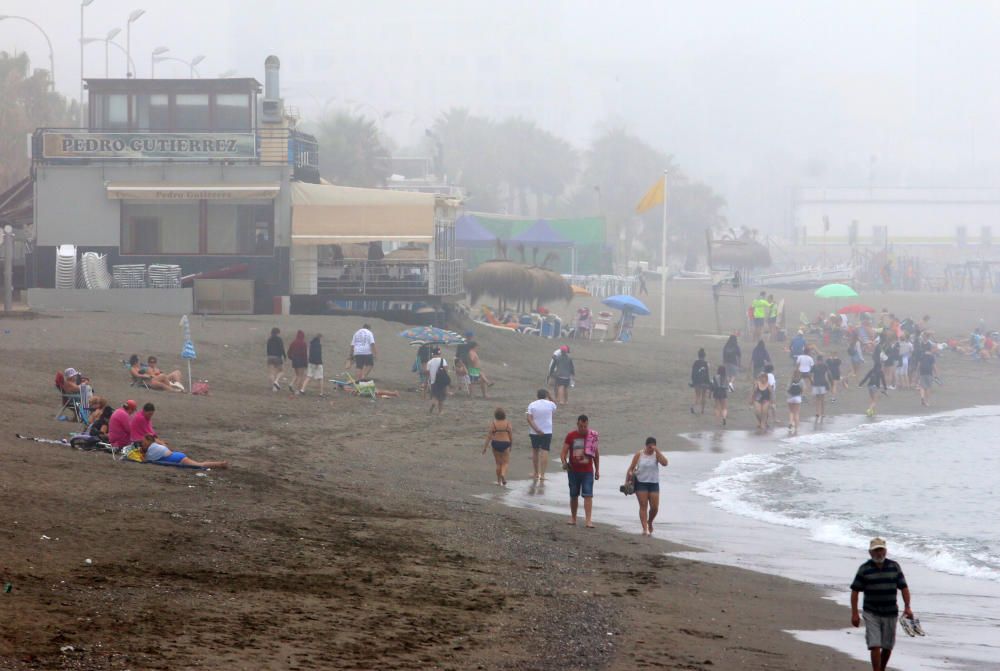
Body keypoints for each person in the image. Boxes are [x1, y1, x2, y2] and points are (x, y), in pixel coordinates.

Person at [850, 537, 913, 671]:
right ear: (870, 552)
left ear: (886, 551)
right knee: (875, 645)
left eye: (881, 550)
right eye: (876, 550)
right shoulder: (864, 569)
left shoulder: (894, 567)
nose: (879, 553)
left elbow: (904, 587)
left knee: (887, 646)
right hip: (871, 612)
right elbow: (855, 591)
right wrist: (854, 613)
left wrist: (907, 607)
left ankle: (881, 669)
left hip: (890, 612)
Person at [560, 414, 599, 528]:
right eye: (581, 426)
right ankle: (573, 518)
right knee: (573, 495)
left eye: (585, 426)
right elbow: (563, 453)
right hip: (573, 471)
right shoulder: (571, 435)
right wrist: (564, 463)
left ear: (588, 425)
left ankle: (588, 521)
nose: (583, 429)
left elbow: (596, 454)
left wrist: (597, 470)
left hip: (587, 471)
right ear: (577, 424)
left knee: (588, 495)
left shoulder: (592, 436)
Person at [625, 437, 668, 536]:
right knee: (643, 505)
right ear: (646, 446)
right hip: (641, 482)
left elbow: (665, 463)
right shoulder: (639, 454)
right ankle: (645, 528)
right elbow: (631, 468)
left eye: (652, 448)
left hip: (653, 483)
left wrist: (657, 451)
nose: (650, 449)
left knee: (655, 507)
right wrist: (627, 481)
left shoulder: (656, 455)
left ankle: (650, 522)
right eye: (649, 447)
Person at [140, 434, 229, 469]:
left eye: (144, 442)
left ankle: (220, 464)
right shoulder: (155, 446)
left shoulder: (152, 449)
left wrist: (142, 453)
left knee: (200, 465)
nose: (142, 444)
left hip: (178, 459)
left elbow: (145, 460)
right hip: (176, 456)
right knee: (199, 464)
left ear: (148, 442)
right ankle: (219, 464)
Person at [526, 389, 557, 481]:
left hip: (534, 431)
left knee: (535, 451)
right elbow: (555, 405)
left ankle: (536, 473)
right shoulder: (550, 404)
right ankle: (542, 475)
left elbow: (529, 418)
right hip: (547, 431)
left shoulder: (532, 404)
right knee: (545, 451)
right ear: (546, 395)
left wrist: (537, 429)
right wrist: (550, 396)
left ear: (537, 395)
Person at [483, 407, 513, 486]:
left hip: (496, 443)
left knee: (498, 463)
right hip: (505, 443)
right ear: (504, 415)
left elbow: (489, 436)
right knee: (505, 462)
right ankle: (503, 474)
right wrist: (511, 445)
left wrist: (485, 448)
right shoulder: (507, 423)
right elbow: (510, 435)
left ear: (495, 415)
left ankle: (499, 481)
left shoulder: (494, 424)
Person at [427, 347, 450, 414]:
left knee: (434, 395)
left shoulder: (430, 362)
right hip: (442, 382)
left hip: (433, 382)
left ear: (432, 354)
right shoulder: (443, 360)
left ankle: (433, 403)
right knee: (441, 398)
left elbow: (428, 372)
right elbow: (446, 370)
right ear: (439, 353)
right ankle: (440, 411)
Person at [285, 330, 308, 394]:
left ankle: (291, 384)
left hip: (294, 360)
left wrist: (291, 358)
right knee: (300, 376)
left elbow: (289, 352)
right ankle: (297, 390)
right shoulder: (303, 343)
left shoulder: (293, 342)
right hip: (301, 361)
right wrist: (306, 363)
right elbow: (304, 354)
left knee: (297, 375)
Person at [690, 348, 711, 415]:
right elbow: (707, 374)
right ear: (704, 356)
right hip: (704, 382)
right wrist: (709, 383)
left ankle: (693, 406)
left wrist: (693, 381)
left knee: (697, 396)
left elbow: (693, 373)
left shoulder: (695, 363)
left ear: (698, 355)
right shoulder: (706, 363)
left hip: (696, 381)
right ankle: (702, 410)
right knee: (703, 396)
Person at [811, 354, 831, 421]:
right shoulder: (825, 366)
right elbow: (828, 374)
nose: (820, 362)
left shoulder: (815, 366)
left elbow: (811, 374)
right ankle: (820, 413)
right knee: (821, 399)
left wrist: (811, 382)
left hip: (817, 384)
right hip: (821, 383)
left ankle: (819, 413)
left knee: (819, 399)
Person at [266, 327, 286, 392]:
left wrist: (269, 355)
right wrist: (284, 356)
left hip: (270, 357)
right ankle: (276, 381)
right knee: (281, 371)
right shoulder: (279, 339)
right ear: (278, 333)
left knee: (271, 373)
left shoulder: (269, 339)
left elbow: (268, 349)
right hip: (277, 357)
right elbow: (281, 348)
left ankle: (274, 388)